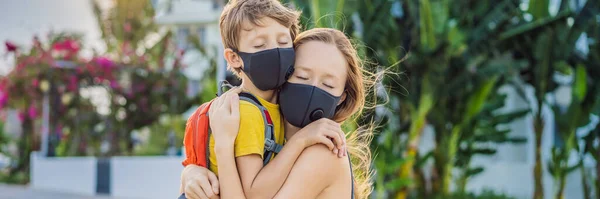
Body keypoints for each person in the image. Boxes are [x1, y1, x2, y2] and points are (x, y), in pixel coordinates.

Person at [180, 1, 348, 199]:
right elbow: (255, 192)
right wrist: (190, 174)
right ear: (234, 58)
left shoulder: (321, 151)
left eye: (284, 43)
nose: (276, 52)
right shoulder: (248, 112)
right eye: (302, 76)